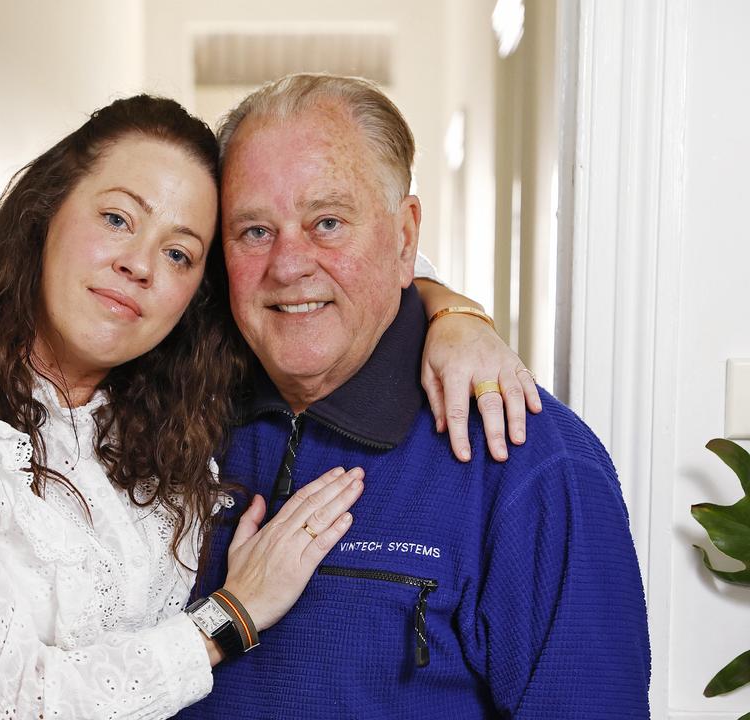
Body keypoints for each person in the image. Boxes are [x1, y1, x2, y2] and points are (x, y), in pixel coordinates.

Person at [0, 92, 538, 719]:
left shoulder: (171, 401)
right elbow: (5, 704)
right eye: (115, 218)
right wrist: (232, 616)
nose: (139, 264)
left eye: (180, 254)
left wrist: (457, 316)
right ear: (44, 212)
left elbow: (333, 264)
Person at [173, 74, 651, 719]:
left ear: (405, 239)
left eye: (328, 222)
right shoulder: (170, 418)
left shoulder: (531, 460)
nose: (287, 265)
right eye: (254, 230)